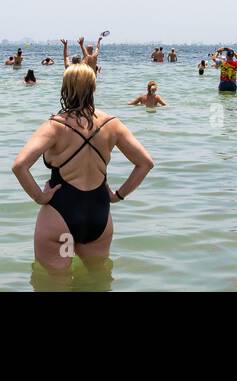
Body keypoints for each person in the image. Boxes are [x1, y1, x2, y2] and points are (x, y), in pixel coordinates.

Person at [11, 63, 154, 270]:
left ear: (65, 88)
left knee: (56, 284)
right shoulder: (112, 124)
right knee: (97, 280)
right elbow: (145, 163)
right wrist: (118, 195)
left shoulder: (55, 126)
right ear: (93, 88)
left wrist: (40, 197)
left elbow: (19, 166)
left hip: (61, 221)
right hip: (98, 219)